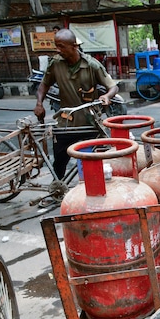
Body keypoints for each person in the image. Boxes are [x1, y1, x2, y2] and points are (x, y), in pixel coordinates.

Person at [33, 29, 118, 204]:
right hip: (66, 122)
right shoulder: (55, 64)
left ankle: (92, 191)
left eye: (61, 46)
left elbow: (113, 87)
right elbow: (43, 85)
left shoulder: (92, 65)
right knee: (60, 159)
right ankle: (57, 189)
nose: (58, 50)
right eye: (56, 46)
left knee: (92, 159)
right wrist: (39, 103)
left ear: (74, 46)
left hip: (89, 121)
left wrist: (107, 97)